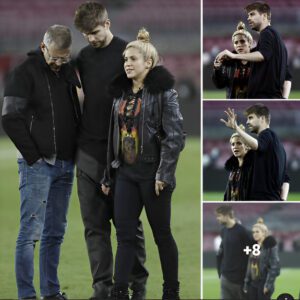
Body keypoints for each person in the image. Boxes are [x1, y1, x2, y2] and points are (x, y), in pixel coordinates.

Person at [101, 28, 185, 300]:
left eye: (133, 59)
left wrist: (164, 173)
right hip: (125, 173)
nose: (126, 62)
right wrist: (107, 174)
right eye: (125, 58)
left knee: (162, 235)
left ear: (148, 63)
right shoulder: (119, 95)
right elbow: (113, 137)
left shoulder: (165, 93)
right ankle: (119, 292)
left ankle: (171, 291)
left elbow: (175, 137)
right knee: (124, 236)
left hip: (153, 174)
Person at [73, 2, 148, 299]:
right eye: (84, 34)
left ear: (107, 23)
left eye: (93, 32)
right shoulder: (84, 58)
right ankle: (101, 289)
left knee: (128, 227)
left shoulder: (128, 54)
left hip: (124, 155)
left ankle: (136, 286)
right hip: (89, 153)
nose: (90, 38)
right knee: (94, 228)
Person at [2, 25, 81, 300]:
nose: (59, 63)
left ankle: (51, 292)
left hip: (65, 164)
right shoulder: (23, 72)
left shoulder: (68, 72)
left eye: (64, 57)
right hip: (38, 165)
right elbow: (10, 117)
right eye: (55, 57)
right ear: (43, 46)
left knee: (55, 232)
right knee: (30, 234)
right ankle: (26, 295)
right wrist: (33, 157)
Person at [216, 1, 292, 99]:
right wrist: (284, 99)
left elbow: (262, 55)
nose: (248, 18)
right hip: (273, 97)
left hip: (264, 96)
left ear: (264, 16)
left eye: (252, 14)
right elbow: (287, 77)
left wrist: (233, 55)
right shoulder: (279, 41)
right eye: (248, 15)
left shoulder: (266, 33)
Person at [221, 103, 290, 200]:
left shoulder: (267, 135)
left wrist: (236, 128)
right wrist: (282, 200)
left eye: (250, 118)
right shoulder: (278, 146)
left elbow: (257, 145)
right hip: (271, 198)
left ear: (262, 118)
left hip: (261, 198)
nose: (247, 122)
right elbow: (286, 178)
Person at [215, 205, 253, 300]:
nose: (217, 218)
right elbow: (221, 253)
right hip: (225, 278)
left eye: (219, 216)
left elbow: (253, 250)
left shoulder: (242, 232)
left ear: (227, 215)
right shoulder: (223, 231)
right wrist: (220, 273)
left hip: (240, 280)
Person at [212, 21, 253, 99]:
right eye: (236, 42)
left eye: (242, 41)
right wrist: (217, 69)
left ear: (250, 42)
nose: (239, 45)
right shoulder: (228, 62)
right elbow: (219, 85)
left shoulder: (258, 60)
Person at [243, 218, 280, 300]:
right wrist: (246, 283)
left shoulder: (270, 246)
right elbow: (249, 267)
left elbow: (275, 267)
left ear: (264, 233)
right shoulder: (253, 247)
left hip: (263, 282)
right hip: (252, 284)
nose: (254, 234)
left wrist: (268, 285)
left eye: (257, 232)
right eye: (253, 232)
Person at [224, 125, 255, 200]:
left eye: (239, 143)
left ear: (247, 146)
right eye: (233, 144)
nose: (235, 146)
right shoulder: (233, 169)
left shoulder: (254, 167)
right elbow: (228, 193)